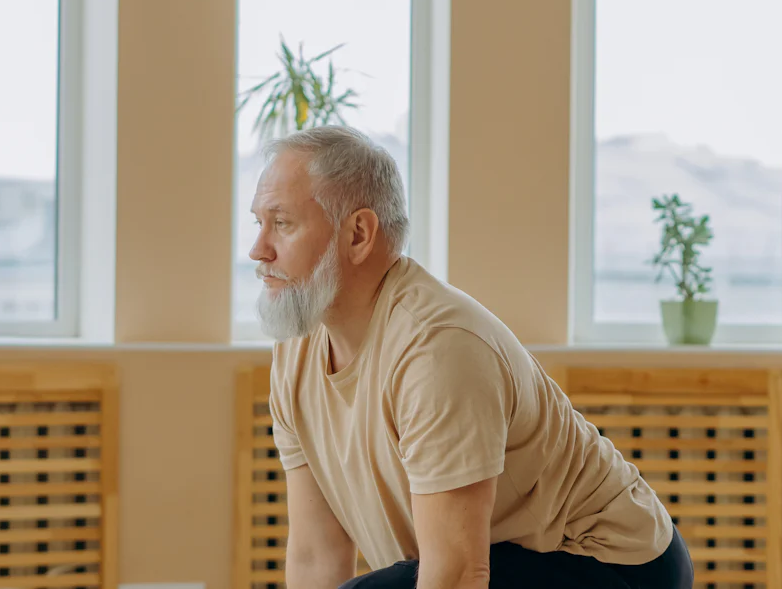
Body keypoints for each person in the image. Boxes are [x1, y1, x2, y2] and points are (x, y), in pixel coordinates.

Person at [251, 125, 694, 589]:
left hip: (612, 565)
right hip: (506, 561)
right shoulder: (297, 348)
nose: (258, 249)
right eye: (258, 223)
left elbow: (460, 575)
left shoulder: (437, 348)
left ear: (358, 234)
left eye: (281, 224)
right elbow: (315, 553)